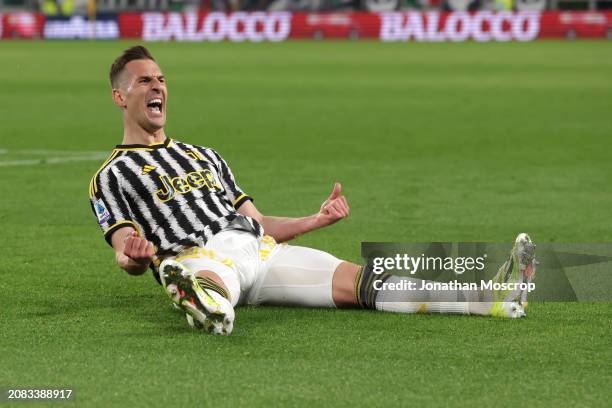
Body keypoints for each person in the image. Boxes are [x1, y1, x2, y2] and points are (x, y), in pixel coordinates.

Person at [89, 46, 536, 335]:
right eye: (145, 81)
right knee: (204, 277)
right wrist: (135, 258)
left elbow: (261, 223)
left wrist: (315, 220)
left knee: (363, 283)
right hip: (198, 255)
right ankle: (202, 299)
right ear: (119, 97)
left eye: (162, 79)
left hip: (260, 254)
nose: (158, 87)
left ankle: (488, 299)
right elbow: (123, 254)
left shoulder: (206, 155)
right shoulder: (111, 175)